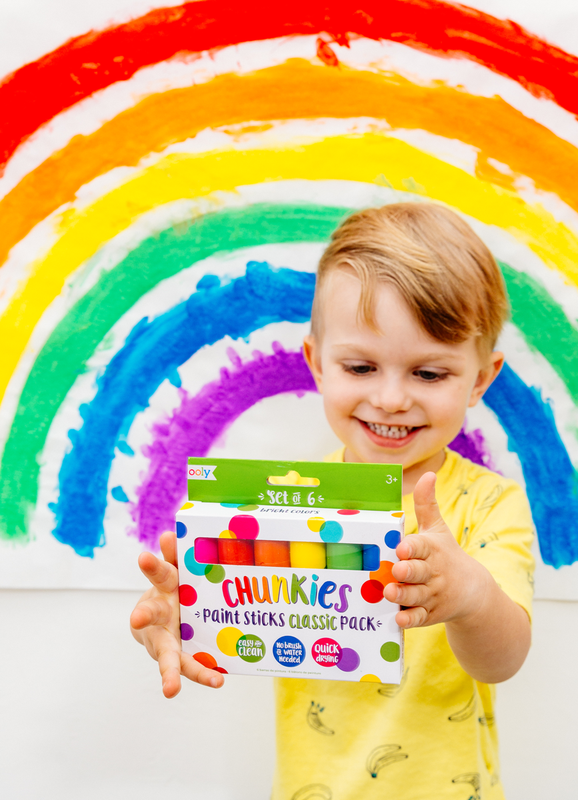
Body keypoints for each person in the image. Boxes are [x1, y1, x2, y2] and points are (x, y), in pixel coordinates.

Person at [131, 202, 535, 799]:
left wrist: (471, 595)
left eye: (429, 374)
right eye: (362, 366)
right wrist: (183, 615)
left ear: (480, 378)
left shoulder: (490, 505)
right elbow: (235, 611)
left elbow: (502, 659)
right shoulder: (285, 505)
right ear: (318, 364)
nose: (392, 398)